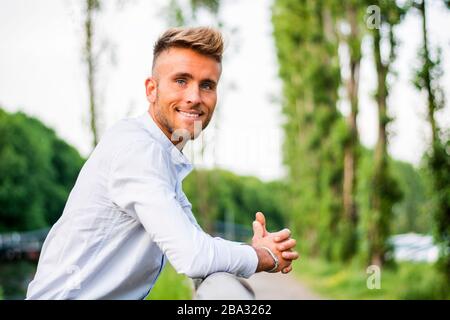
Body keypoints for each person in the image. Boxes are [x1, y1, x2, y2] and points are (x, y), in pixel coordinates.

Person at [26, 26, 299, 300]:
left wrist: (253, 250)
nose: (194, 97)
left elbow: (195, 241)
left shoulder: (160, 155)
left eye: (207, 85)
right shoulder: (138, 151)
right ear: (151, 89)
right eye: (181, 80)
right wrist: (262, 257)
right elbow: (193, 256)